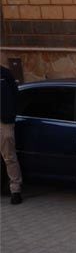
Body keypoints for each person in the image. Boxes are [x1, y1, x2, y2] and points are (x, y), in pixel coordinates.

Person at [0, 65, 22, 204]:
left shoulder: (5, 74)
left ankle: (15, 190)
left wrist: (10, 115)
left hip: (4, 122)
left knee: (9, 157)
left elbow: (16, 95)